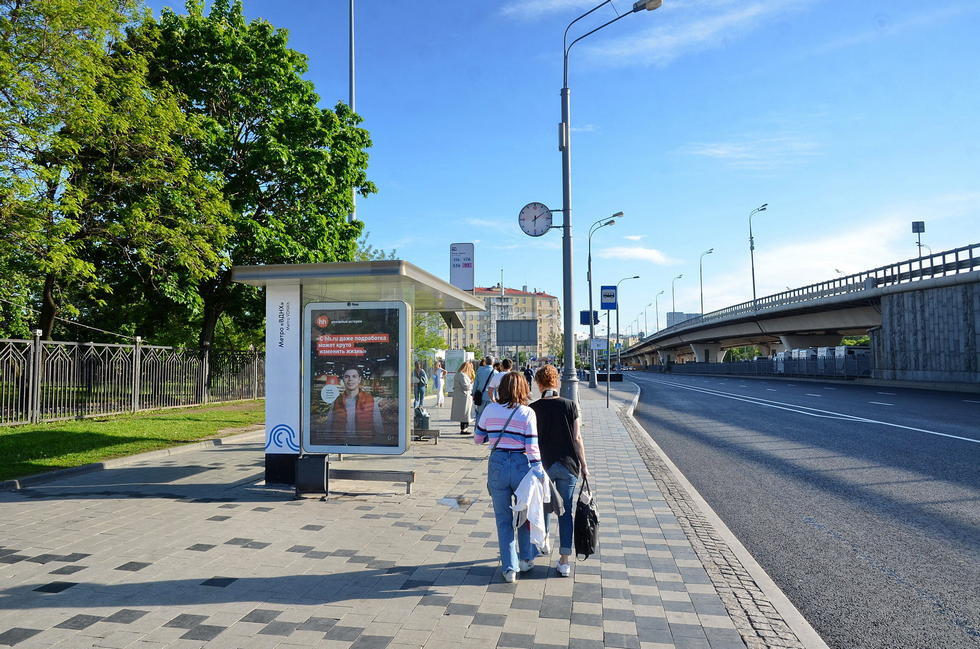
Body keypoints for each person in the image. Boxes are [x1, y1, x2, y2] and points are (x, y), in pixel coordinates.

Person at [475, 371, 540, 583]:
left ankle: (509, 568)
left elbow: (478, 439)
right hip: (522, 465)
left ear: (501, 388)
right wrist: (539, 471)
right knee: (524, 515)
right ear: (524, 389)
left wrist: (494, 435)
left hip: (498, 464)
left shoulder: (490, 409)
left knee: (503, 520)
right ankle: (526, 559)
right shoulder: (527, 412)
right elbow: (532, 447)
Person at [529, 364, 589, 577]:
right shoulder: (570, 405)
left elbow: (532, 441)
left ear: (539, 383)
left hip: (543, 466)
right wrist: (584, 466)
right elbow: (577, 437)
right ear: (556, 382)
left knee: (543, 507)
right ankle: (564, 561)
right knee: (565, 512)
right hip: (568, 465)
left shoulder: (533, 408)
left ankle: (542, 543)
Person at [323, 367, 384, 437]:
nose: (350, 379)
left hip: (363, 445)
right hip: (341, 445)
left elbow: (379, 430)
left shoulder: (371, 401)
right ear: (343, 379)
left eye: (354, 376)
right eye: (347, 377)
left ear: (359, 379)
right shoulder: (336, 402)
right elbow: (328, 429)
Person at [451, 361, 475, 434]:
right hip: (463, 396)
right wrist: (472, 383)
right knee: (465, 413)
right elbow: (466, 387)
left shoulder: (459, 374)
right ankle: (464, 429)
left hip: (462, 396)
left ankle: (464, 428)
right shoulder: (462, 375)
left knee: (464, 413)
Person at [472, 356, 496, 420]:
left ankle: (477, 428)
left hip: (480, 396)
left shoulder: (479, 370)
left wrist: (473, 393)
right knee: (490, 415)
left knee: (479, 414)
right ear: (493, 362)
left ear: (485, 362)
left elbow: (475, 384)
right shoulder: (495, 372)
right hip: (491, 397)